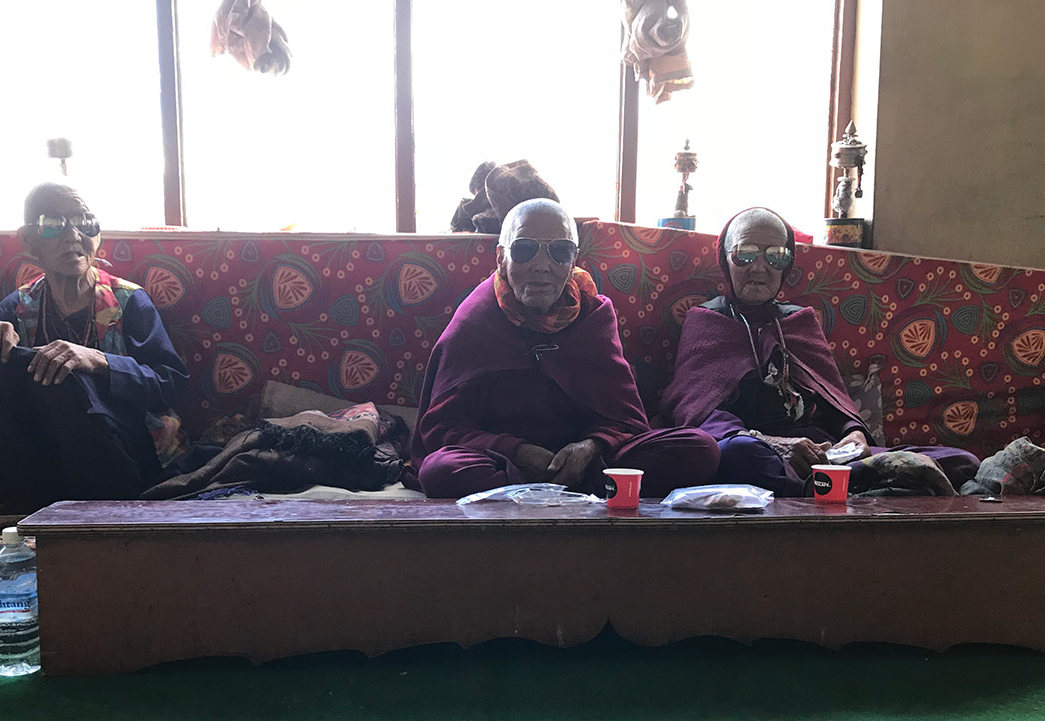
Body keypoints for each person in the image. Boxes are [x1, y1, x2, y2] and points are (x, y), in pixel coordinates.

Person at [404, 198, 720, 499]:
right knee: (442, 471)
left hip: (588, 463)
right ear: (501, 257)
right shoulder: (477, 319)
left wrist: (591, 446)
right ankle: (569, 495)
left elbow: (627, 419)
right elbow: (442, 428)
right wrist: (517, 451)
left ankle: (552, 492)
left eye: (560, 251)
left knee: (699, 448)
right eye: (525, 249)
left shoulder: (593, 316)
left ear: (574, 260)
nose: (542, 265)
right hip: (505, 464)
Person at [662, 206, 979, 496]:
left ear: (787, 265)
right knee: (739, 456)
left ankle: (847, 480)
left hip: (824, 454)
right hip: (762, 449)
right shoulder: (706, 320)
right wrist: (774, 443)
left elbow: (835, 401)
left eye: (775, 256)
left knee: (962, 461)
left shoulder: (799, 321)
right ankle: (857, 484)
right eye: (745, 254)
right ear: (725, 259)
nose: (759, 267)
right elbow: (696, 413)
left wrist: (854, 434)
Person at [0, 183, 189, 511]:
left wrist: (98, 361)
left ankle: (75, 506)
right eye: (53, 224)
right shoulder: (15, 308)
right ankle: (22, 500)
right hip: (42, 454)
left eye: (85, 222)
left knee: (64, 378)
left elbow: (170, 385)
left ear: (97, 236)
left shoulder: (130, 302)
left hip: (119, 450)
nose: (73, 235)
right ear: (29, 240)